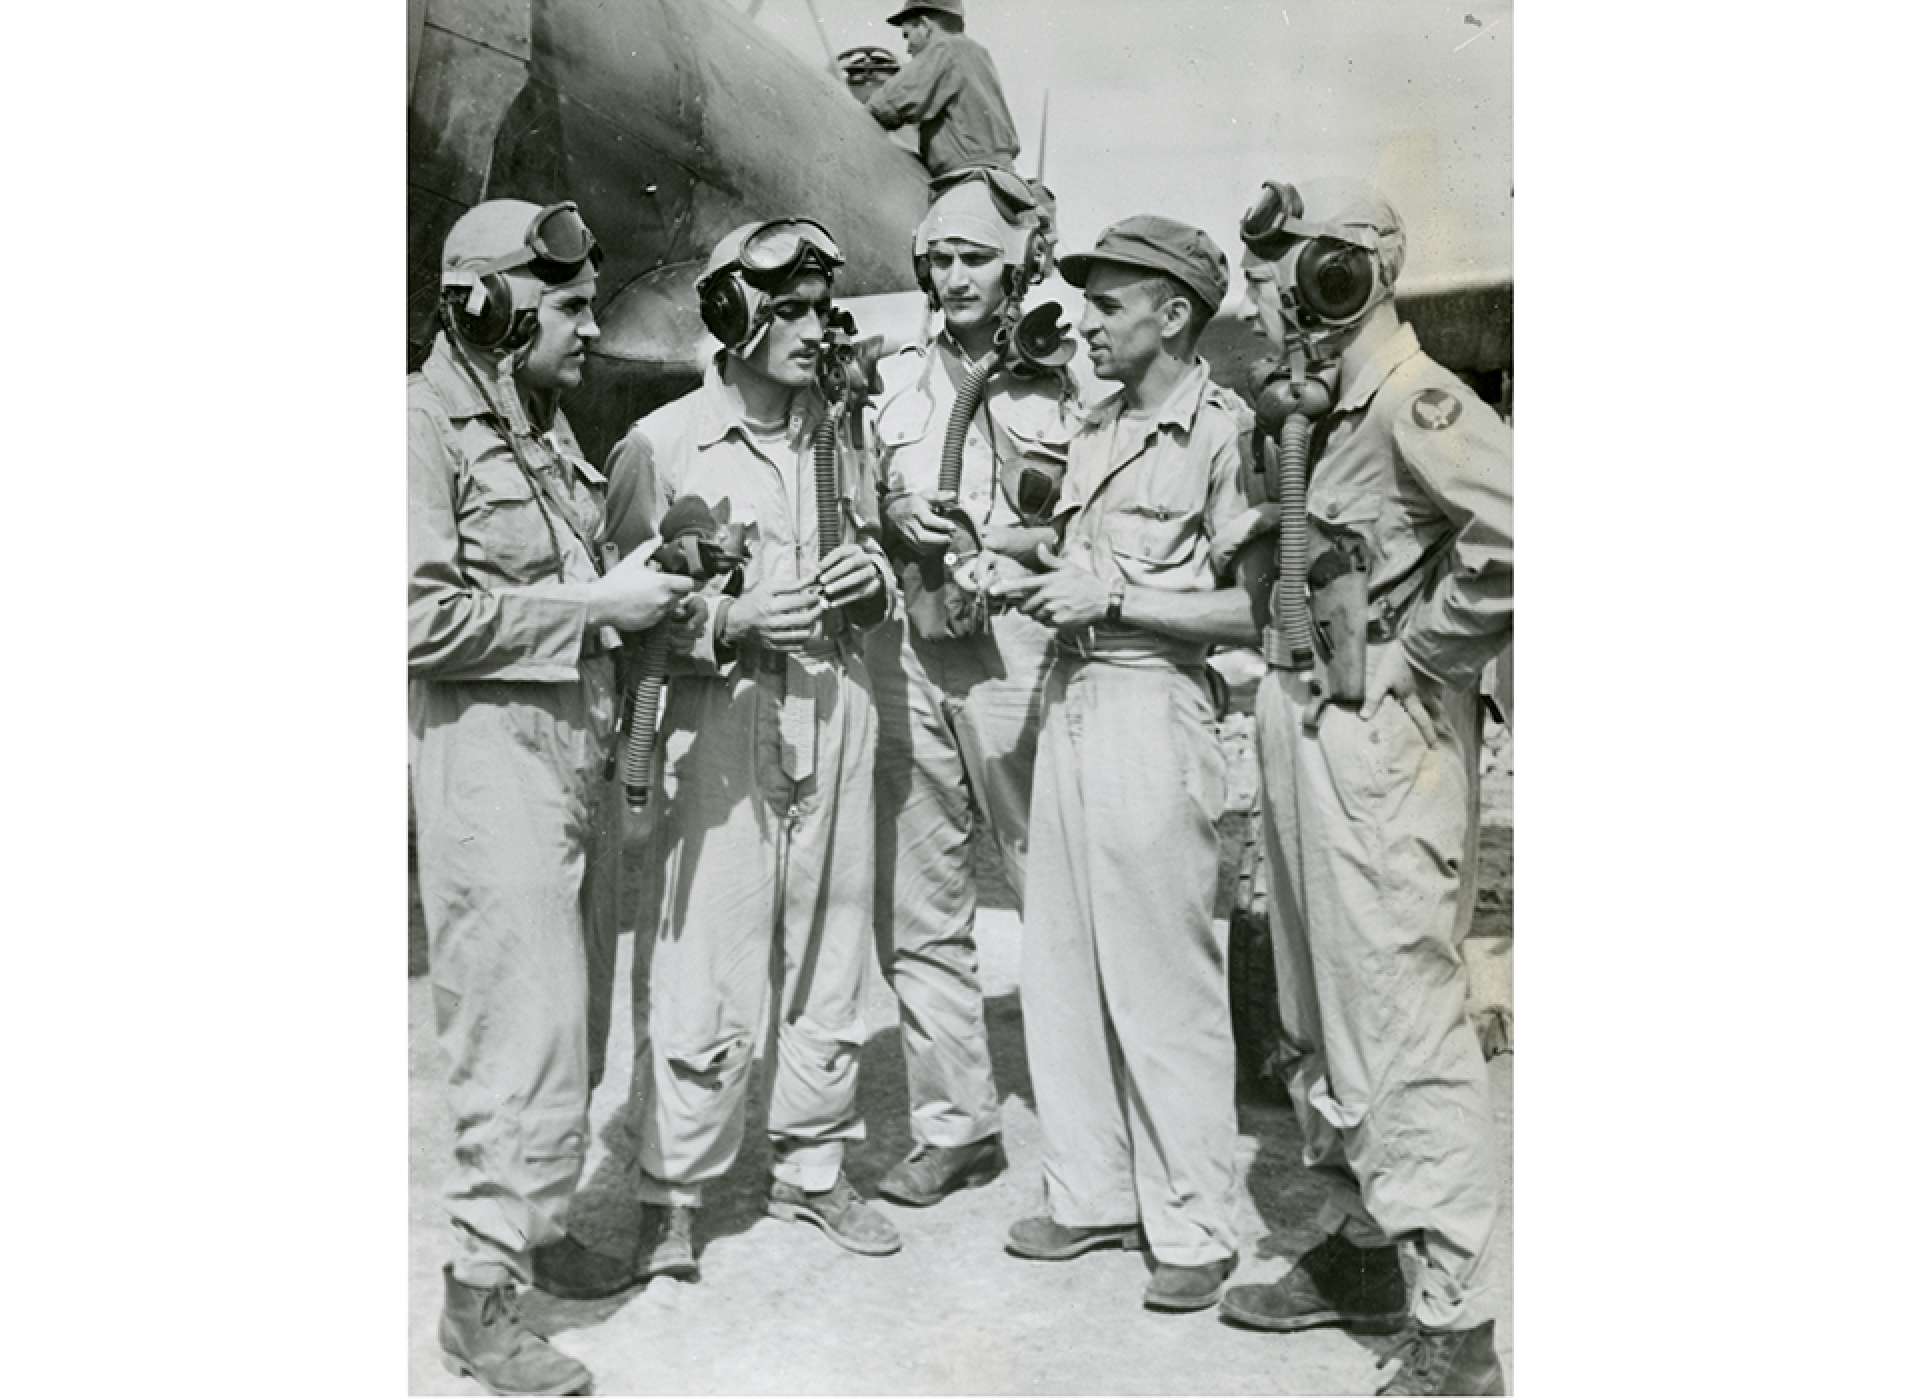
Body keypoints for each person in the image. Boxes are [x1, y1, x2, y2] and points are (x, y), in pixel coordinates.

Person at [1216, 177, 1513, 1397]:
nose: (1286, 295)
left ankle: (1460, 1323)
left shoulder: (1414, 399)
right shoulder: (1319, 406)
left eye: (1306, 272)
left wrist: (1420, 653)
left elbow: (1526, 534)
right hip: (1304, 725)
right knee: (1318, 1001)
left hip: (1382, 738)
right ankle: (1366, 1245)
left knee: (1400, 1012)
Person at [409, 198, 694, 1395]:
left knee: (567, 1025)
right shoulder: (414, 429)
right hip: (488, 767)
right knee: (513, 1034)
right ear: (489, 305)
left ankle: (526, 1238)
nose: (592, 327)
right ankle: (477, 1305)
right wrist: (596, 610)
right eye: (570, 305)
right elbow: (414, 618)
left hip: (566, 758)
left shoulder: (536, 421)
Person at [602, 218, 900, 1282]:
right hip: (718, 717)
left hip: (835, 701)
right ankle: (671, 1192)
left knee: (832, 947)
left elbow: (876, 541)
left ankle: (814, 1168)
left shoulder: (843, 430)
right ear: (732, 311)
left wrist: (876, 580)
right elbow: (617, 616)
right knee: (703, 959)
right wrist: (726, 625)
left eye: (827, 307)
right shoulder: (661, 444)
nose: (818, 328)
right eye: (795, 307)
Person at [991, 216, 1257, 1314]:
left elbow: (1260, 606)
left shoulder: (1227, 433)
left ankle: (1196, 1218)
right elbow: (1082, 557)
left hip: (1157, 701)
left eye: (1109, 304)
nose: (1087, 322)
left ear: (1175, 316)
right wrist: (1027, 556)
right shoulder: (1094, 424)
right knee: (1061, 958)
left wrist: (1119, 599)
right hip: (1074, 698)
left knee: (1163, 973)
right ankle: (1094, 1188)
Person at [866, 169, 1077, 1208]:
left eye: (976, 260)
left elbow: (1100, 509)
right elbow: (854, 483)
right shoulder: (890, 373)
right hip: (913, 644)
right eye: (940, 259)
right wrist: (891, 520)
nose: (954, 277)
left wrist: (1013, 544)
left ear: (1020, 264)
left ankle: (1093, 1131)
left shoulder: (1069, 374)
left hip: (1017, 652)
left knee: (1056, 887)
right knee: (922, 899)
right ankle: (956, 1123)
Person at [867, 1, 1020, 179]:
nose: (908, 48)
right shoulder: (978, 53)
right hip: (1003, 175)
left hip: (968, 175)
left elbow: (885, 105)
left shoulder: (945, 48)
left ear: (924, 25)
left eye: (907, 35)